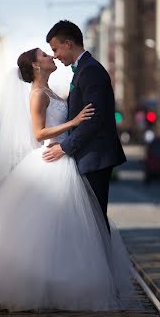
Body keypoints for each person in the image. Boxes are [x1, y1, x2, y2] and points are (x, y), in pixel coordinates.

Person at [0, 45, 142, 312]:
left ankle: (58, 284)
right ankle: (34, 286)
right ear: (36, 66)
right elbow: (39, 133)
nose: (51, 56)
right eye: (44, 54)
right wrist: (73, 122)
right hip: (50, 159)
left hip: (63, 160)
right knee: (44, 228)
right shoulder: (38, 94)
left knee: (63, 229)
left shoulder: (52, 91)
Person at [45, 20, 126, 233]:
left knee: (94, 222)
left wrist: (64, 148)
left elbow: (93, 118)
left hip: (94, 158)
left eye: (55, 49)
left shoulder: (90, 70)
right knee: (88, 223)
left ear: (68, 44)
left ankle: (100, 266)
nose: (54, 55)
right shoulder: (84, 69)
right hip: (88, 157)